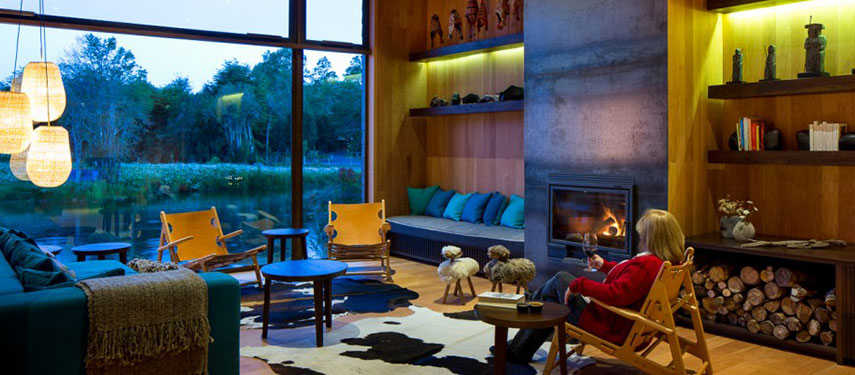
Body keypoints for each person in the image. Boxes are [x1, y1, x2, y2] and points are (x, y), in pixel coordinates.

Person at [503, 209, 686, 363]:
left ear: (652, 238)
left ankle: (522, 320)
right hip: (623, 324)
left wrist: (580, 284)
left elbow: (616, 294)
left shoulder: (646, 266)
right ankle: (518, 349)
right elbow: (630, 281)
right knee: (551, 298)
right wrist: (604, 266)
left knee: (560, 279)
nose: (640, 239)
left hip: (609, 326)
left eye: (642, 236)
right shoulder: (664, 262)